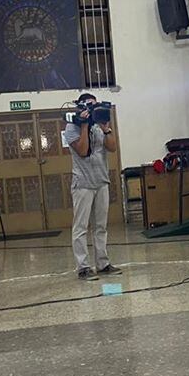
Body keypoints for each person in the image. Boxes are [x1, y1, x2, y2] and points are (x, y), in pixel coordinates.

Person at [65, 93, 122, 281]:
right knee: (81, 227)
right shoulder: (71, 127)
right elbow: (82, 150)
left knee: (100, 226)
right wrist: (83, 125)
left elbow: (112, 148)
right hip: (82, 183)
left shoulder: (99, 125)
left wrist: (106, 129)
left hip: (101, 181)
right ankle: (83, 267)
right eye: (89, 106)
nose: (93, 110)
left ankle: (103, 263)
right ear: (80, 107)